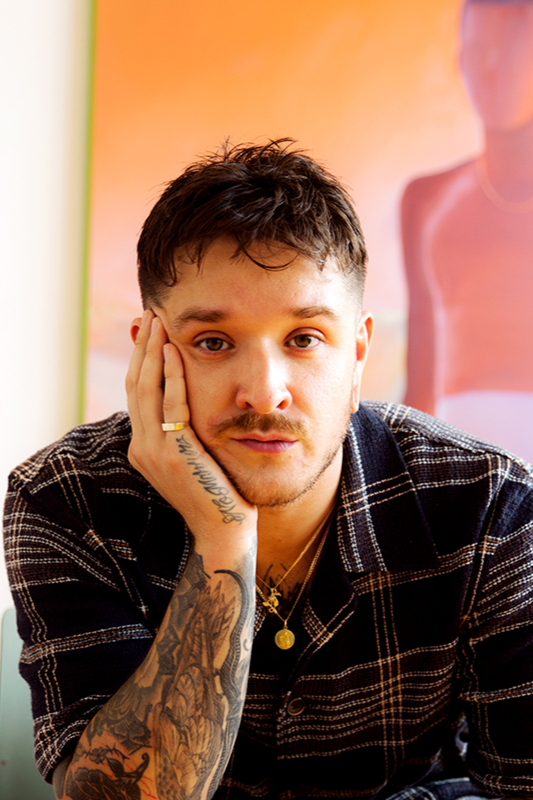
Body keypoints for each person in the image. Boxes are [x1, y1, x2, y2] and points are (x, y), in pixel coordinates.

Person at [4, 139, 533, 800]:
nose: (262, 392)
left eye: (304, 339)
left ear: (358, 350)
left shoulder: (489, 506)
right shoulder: (64, 500)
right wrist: (222, 541)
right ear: (150, 353)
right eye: (213, 342)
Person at [402, 0, 533, 463]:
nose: (491, 67)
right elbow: (420, 377)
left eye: (512, 47)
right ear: (460, 61)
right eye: (477, 48)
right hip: (456, 456)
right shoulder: (428, 198)